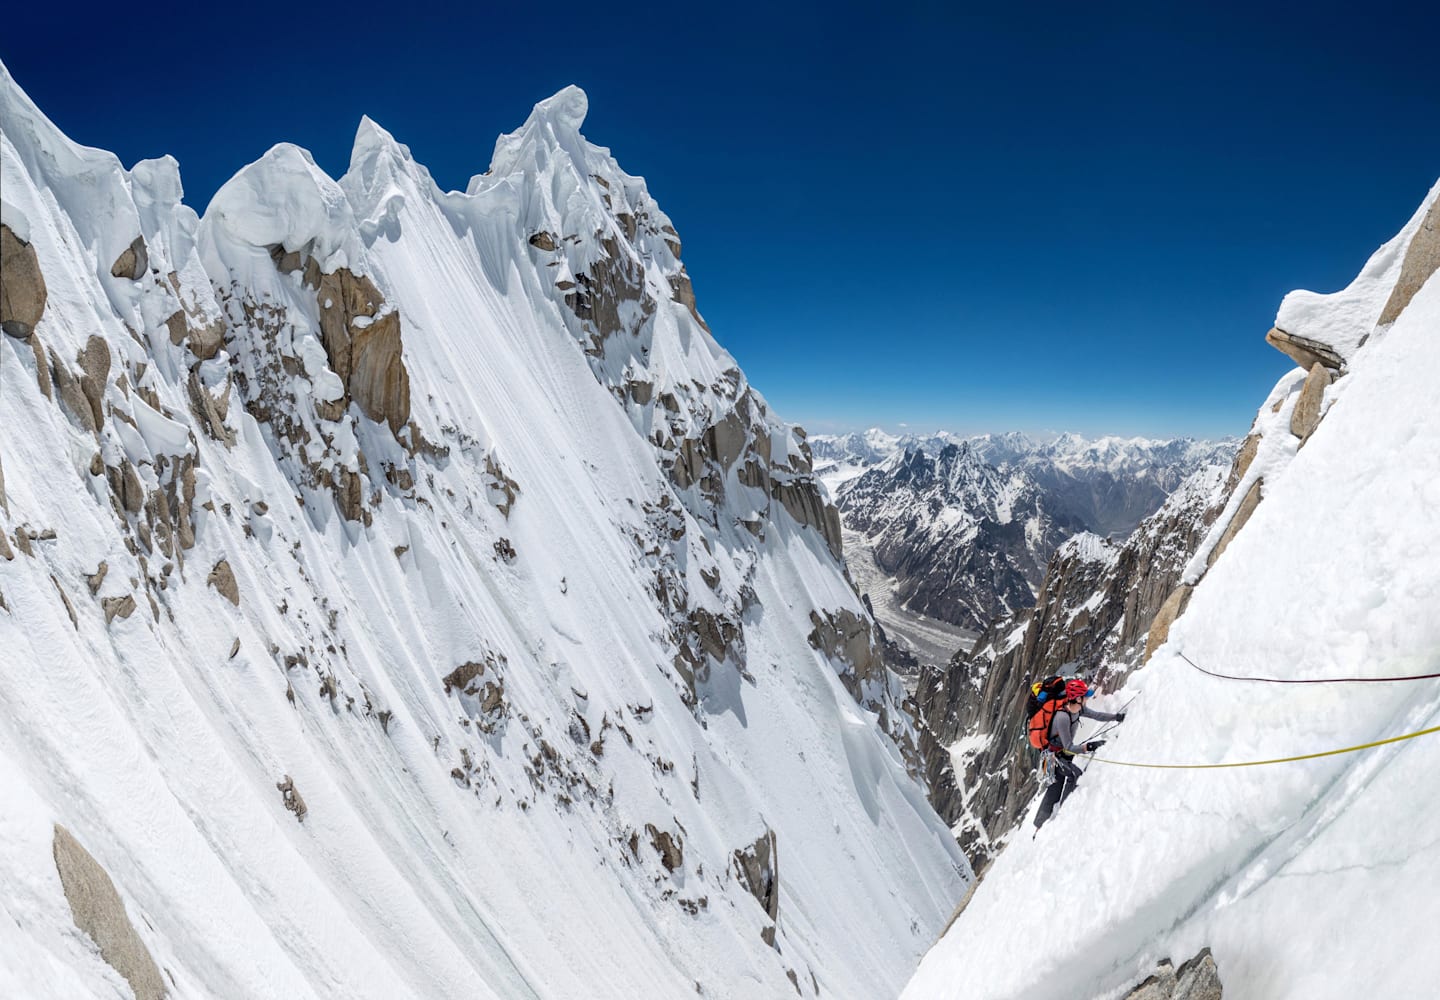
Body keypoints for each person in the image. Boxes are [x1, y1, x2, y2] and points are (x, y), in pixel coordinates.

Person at [1032, 678, 1125, 832]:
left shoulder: (1079, 709)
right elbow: (1068, 747)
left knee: (1056, 785)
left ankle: (1041, 823)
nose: (1087, 699)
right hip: (1052, 757)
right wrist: (1087, 747)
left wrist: (1116, 717)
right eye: (1085, 697)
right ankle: (1061, 813)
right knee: (1071, 776)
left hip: (1061, 754)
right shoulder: (1062, 717)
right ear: (1077, 698)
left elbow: (1097, 716)